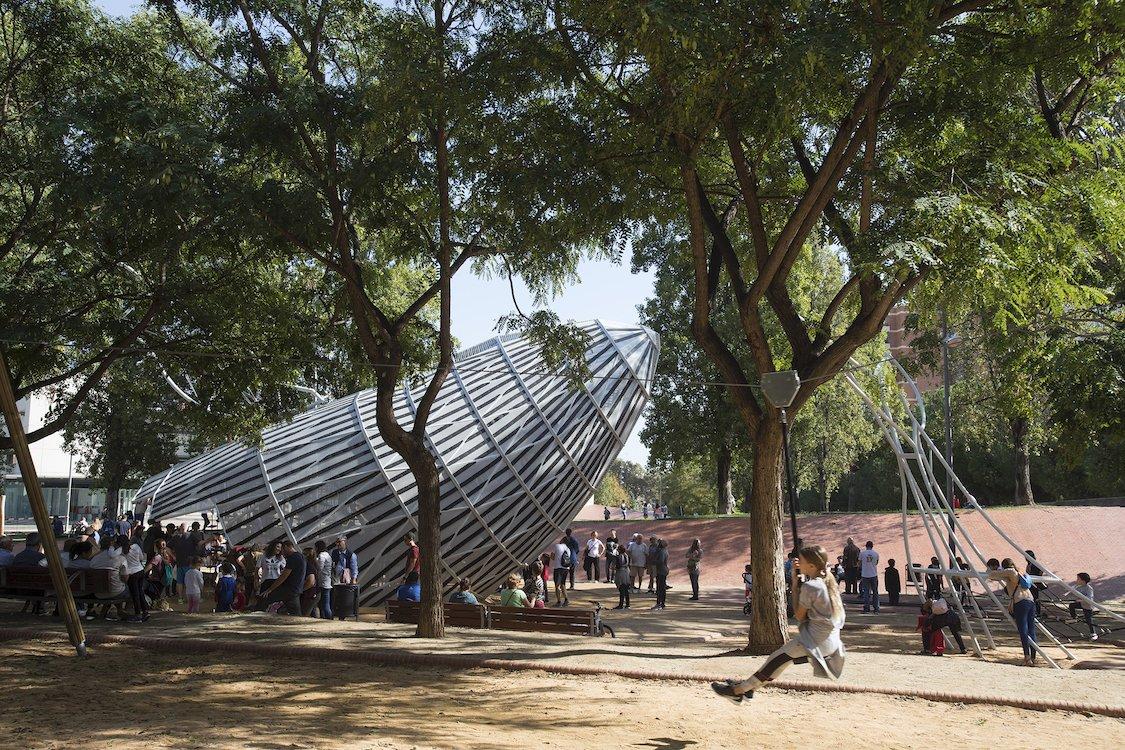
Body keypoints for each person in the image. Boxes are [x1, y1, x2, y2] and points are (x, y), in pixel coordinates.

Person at [712, 545, 846, 703]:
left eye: (801, 561)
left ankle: (737, 691)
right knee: (781, 661)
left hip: (814, 642)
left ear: (811, 566)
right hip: (830, 642)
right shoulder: (828, 581)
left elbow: (799, 615)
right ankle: (749, 689)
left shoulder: (812, 586)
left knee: (776, 659)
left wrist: (796, 585)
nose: (797, 563)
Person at [988, 558, 1039, 666]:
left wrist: (993, 570)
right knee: (1031, 629)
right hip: (1030, 599)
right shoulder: (1019, 571)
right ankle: (1033, 657)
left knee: (1023, 630)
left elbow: (992, 575)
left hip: (1020, 601)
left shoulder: (1010, 571)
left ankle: (1027, 657)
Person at [87, 536, 128, 621]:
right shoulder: (120, 558)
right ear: (112, 545)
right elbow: (125, 578)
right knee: (127, 587)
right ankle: (121, 610)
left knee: (112, 586)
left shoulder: (94, 560)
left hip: (98, 592)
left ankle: (105, 611)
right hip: (114, 591)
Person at [261, 540, 306, 615]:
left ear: (286, 547)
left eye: (282, 550)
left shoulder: (293, 558)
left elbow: (284, 576)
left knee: (265, 598)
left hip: (289, 589)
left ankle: (258, 617)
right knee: (295, 612)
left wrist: (270, 589)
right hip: (296, 589)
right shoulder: (300, 556)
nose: (282, 553)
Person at [1069, 572, 1097, 640]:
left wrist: (1080, 600)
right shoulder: (1079, 587)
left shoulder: (1089, 588)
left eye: (1078, 579)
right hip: (1082, 604)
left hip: (1088, 606)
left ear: (1083, 581)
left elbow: (1089, 598)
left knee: (1089, 620)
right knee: (1071, 605)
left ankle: (1093, 633)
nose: (1076, 580)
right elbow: (1076, 594)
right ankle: (1074, 617)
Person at [394, 533, 419, 603]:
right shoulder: (415, 549)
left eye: (405, 540)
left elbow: (412, 564)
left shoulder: (414, 550)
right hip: (413, 573)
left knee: (409, 590)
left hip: (412, 574)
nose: (404, 542)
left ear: (411, 539)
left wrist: (405, 576)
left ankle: (408, 604)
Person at [314, 540, 334, 619]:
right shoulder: (328, 555)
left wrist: (315, 561)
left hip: (323, 581)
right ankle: (326, 617)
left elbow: (319, 568)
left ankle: (329, 618)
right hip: (327, 581)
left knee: (325, 604)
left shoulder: (322, 556)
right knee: (325, 602)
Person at [859, 541, 880, 613]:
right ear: (872, 546)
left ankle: (866, 608)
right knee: (875, 592)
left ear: (866, 546)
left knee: (866, 592)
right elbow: (876, 562)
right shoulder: (876, 554)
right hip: (873, 574)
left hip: (865, 574)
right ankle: (876, 608)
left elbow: (859, 563)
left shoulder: (862, 553)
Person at [299, 547, 320, 616]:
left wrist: (301, 590)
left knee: (304, 614)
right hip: (316, 592)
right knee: (314, 611)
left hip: (310, 594)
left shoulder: (308, 565)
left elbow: (311, 582)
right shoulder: (315, 564)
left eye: (303, 554)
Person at [1025, 550, 1046, 617]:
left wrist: (1038, 578)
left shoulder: (1033, 564)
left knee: (1035, 597)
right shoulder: (1032, 563)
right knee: (1034, 597)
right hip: (1033, 582)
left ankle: (1037, 612)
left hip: (1034, 583)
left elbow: (1040, 570)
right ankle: (1036, 611)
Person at [551, 535, 571, 606]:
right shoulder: (568, 549)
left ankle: (559, 601)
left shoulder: (557, 546)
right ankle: (566, 600)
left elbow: (553, 557)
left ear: (562, 540)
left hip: (558, 568)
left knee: (557, 586)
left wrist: (551, 556)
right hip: (566, 568)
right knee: (563, 584)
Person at [650, 538, 669, 610]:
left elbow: (660, 561)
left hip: (661, 570)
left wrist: (654, 561)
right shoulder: (664, 551)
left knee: (660, 587)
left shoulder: (661, 551)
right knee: (661, 587)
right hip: (662, 570)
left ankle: (660, 603)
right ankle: (661, 603)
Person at [613, 545, 631, 609]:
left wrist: (614, 568)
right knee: (626, 589)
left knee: (621, 589)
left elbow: (618, 566)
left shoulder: (619, 557)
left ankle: (621, 605)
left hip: (621, 573)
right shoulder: (626, 555)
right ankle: (627, 604)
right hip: (627, 572)